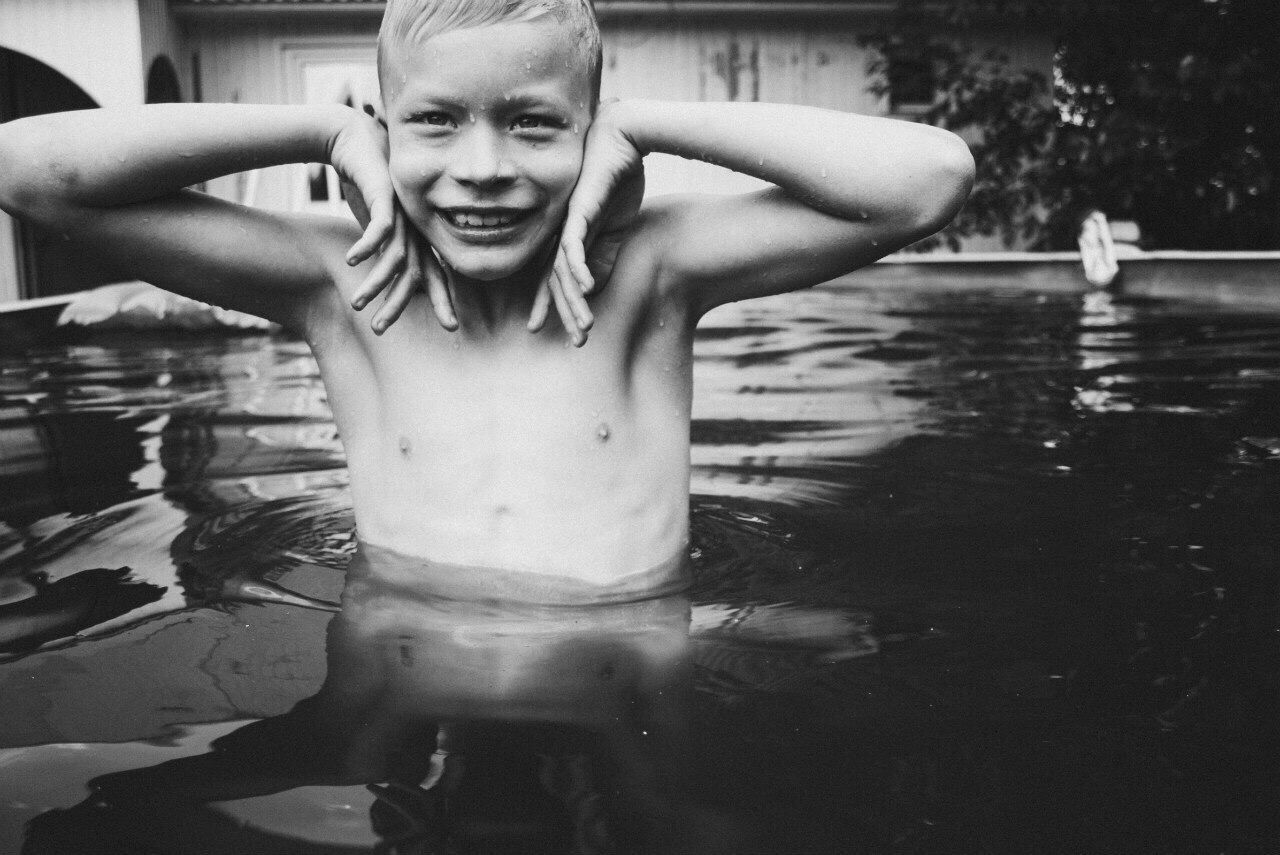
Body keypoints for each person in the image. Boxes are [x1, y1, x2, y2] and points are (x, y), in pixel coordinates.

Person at [0, 0, 974, 591]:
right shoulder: (339, 283)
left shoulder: (652, 275)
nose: (482, 167)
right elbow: (28, 170)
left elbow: (927, 179)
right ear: (388, 131)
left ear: (589, 133)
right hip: (404, 669)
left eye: (533, 124)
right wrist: (321, 133)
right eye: (434, 122)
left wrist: (645, 124)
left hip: (625, 674)